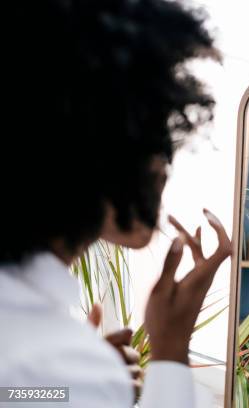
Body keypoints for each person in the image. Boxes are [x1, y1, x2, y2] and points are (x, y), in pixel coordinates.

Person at [0, 1, 230, 407]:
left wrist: (71, 386)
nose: (164, 168)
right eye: (157, 136)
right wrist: (171, 349)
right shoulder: (60, 364)